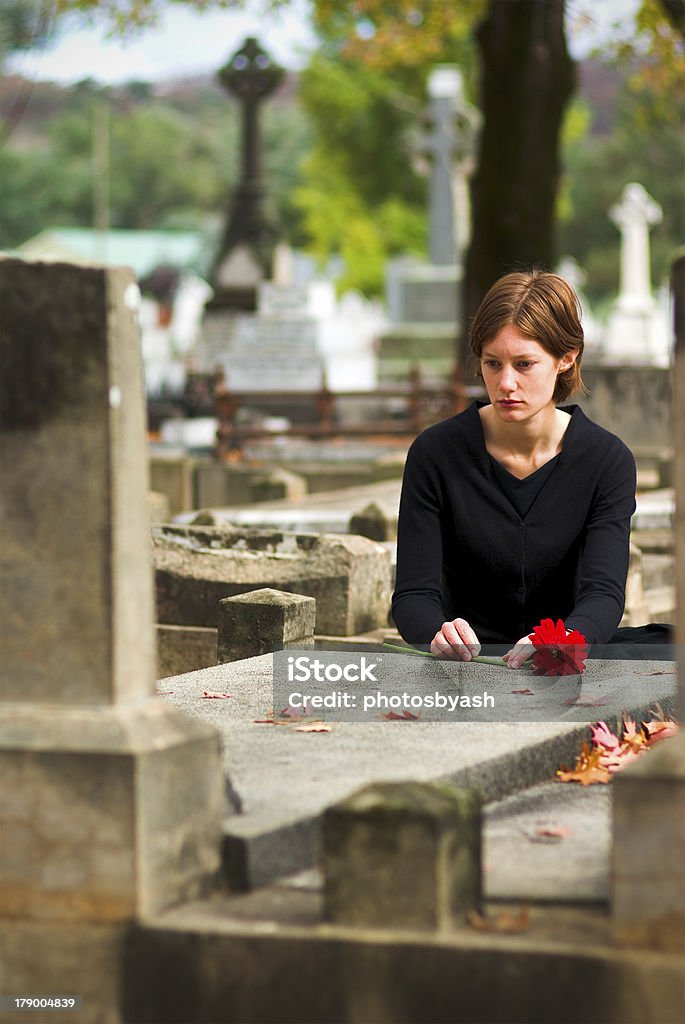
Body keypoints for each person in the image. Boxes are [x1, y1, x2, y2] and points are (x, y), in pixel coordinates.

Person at [391, 268, 671, 666]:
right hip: (470, 659)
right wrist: (436, 632)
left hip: (565, 651)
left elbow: (603, 593)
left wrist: (571, 638)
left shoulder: (607, 460)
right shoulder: (435, 453)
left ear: (566, 358)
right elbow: (413, 596)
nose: (505, 383)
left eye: (524, 364)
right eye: (492, 364)